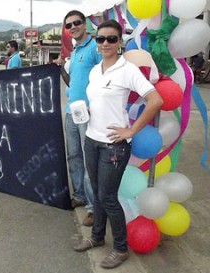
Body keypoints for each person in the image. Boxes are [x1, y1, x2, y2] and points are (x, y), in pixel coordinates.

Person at [73, 20, 163, 269]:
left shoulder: (128, 70)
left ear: (119, 42)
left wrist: (132, 129)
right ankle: (97, 237)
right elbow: (99, 101)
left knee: (108, 197)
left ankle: (121, 249)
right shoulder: (95, 70)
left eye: (111, 39)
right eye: (101, 39)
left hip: (113, 146)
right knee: (99, 195)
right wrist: (87, 111)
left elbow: (155, 100)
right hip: (92, 139)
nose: (105, 44)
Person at [55, 10, 102, 226]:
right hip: (70, 112)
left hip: (88, 113)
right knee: (73, 155)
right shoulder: (74, 52)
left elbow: (105, 75)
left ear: (85, 24)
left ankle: (93, 207)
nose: (73, 27)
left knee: (87, 158)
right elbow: (73, 82)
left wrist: (95, 105)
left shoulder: (95, 46)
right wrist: (60, 69)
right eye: (69, 25)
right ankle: (80, 196)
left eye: (76, 23)